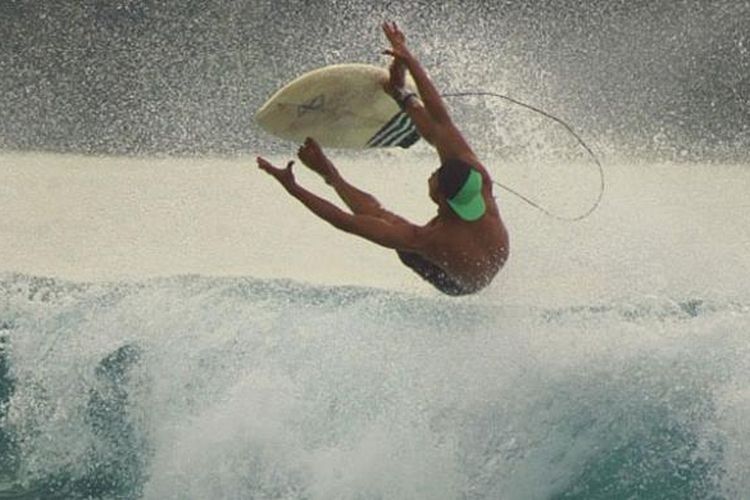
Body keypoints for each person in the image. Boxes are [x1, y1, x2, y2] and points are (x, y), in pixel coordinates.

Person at [257, 21, 509, 295]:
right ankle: (400, 94)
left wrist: (299, 184)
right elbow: (440, 121)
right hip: (493, 252)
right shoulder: (477, 178)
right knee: (439, 134)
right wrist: (407, 60)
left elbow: (347, 220)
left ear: (441, 198)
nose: (432, 174)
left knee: (397, 240)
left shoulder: (430, 240)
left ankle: (334, 171)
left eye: (434, 177)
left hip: (461, 282)